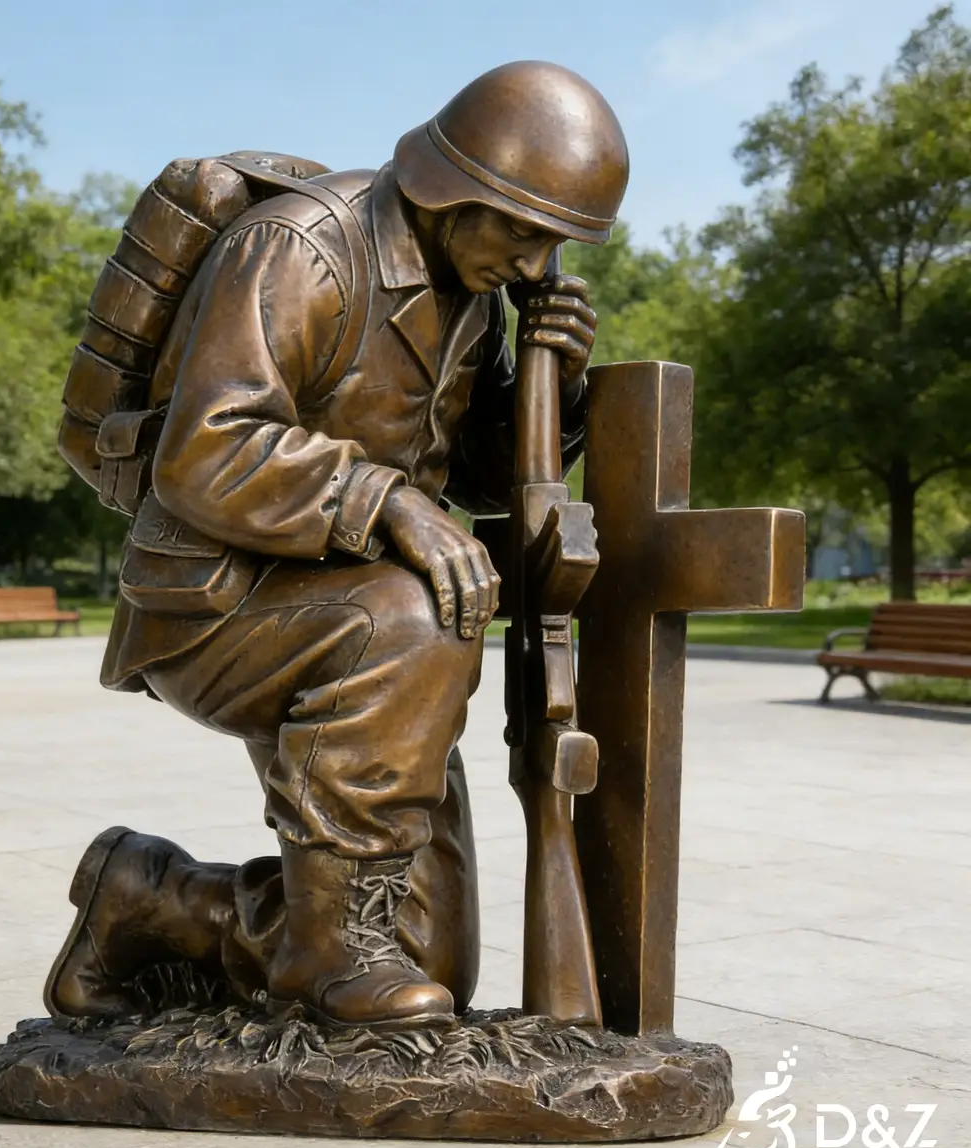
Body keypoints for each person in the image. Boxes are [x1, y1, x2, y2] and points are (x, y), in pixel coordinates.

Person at [44, 60, 629, 1031]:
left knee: (430, 960)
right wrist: (384, 503)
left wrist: (551, 384)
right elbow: (205, 449)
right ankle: (323, 955)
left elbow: (471, 479)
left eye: (553, 244)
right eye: (523, 231)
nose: (535, 265)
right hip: (220, 600)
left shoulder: (473, 299)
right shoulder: (302, 247)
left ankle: (145, 902)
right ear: (457, 186)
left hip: (360, 626)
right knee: (423, 608)